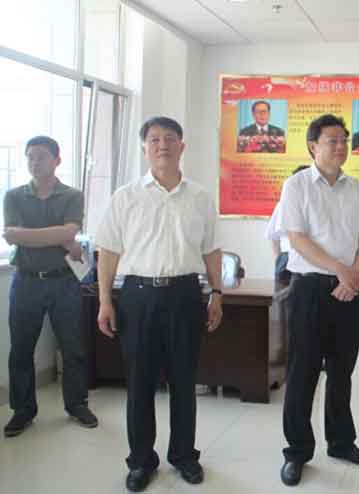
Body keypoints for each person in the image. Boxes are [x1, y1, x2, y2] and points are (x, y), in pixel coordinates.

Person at [96, 116, 223, 492]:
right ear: (144, 148)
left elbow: (212, 250)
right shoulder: (126, 196)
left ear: (182, 146)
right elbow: (108, 252)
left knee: (184, 380)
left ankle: (184, 456)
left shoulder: (200, 197)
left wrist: (217, 293)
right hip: (138, 296)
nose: (162, 145)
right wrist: (105, 301)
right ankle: (140, 461)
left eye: (170, 138)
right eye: (154, 139)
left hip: (185, 295)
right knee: (139, 383)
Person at [276, 114, 359, 487]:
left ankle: (341, 442)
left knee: (341, 371)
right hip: (310, 290)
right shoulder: (297, 185)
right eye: (332, 140)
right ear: (313, 146)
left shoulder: (357, 189)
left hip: (347, 290)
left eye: (343, 140)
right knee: (302, 373)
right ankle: (297, 452)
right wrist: (341, 270)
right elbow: (297, 239)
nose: (340, 146)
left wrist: (354, 275)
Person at [2, 136, 97, 438]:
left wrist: (28, 235)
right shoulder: (13, 196)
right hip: (26, 280)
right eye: (30, 157)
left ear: (57, 160)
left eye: (41, 156)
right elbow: (11, 236)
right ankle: (22, 410)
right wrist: (60, 237)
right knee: (21, 349)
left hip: (63, 281)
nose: (34, 162)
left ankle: (77, 404)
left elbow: (68, 232)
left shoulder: (72, 195)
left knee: (73, 347)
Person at [266, 165, 310, 285]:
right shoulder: (282, 204)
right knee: (283, 294)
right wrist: (279, 260)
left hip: (312, 260)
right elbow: (273, 237)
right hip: (287, 257)